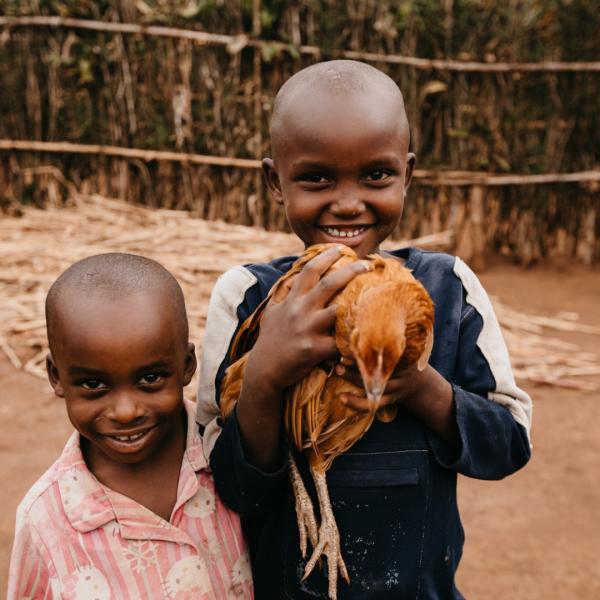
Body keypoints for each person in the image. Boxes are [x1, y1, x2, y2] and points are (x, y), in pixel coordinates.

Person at [196, 60, 532, 599]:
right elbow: (224, 481)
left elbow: (509, 442)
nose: (348, 202)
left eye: (375, 175)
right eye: (316, 178)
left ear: (408, 174)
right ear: (274, 182)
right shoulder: (248, 297)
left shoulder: (447, 289)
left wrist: (419, 385)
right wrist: (263, 375)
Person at [8, 253, 252, 599]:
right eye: (94, 385)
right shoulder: (47, 521)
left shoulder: (232, 454)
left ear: (187, 366)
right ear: (55, 376)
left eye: (150, 378)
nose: (125, 412)